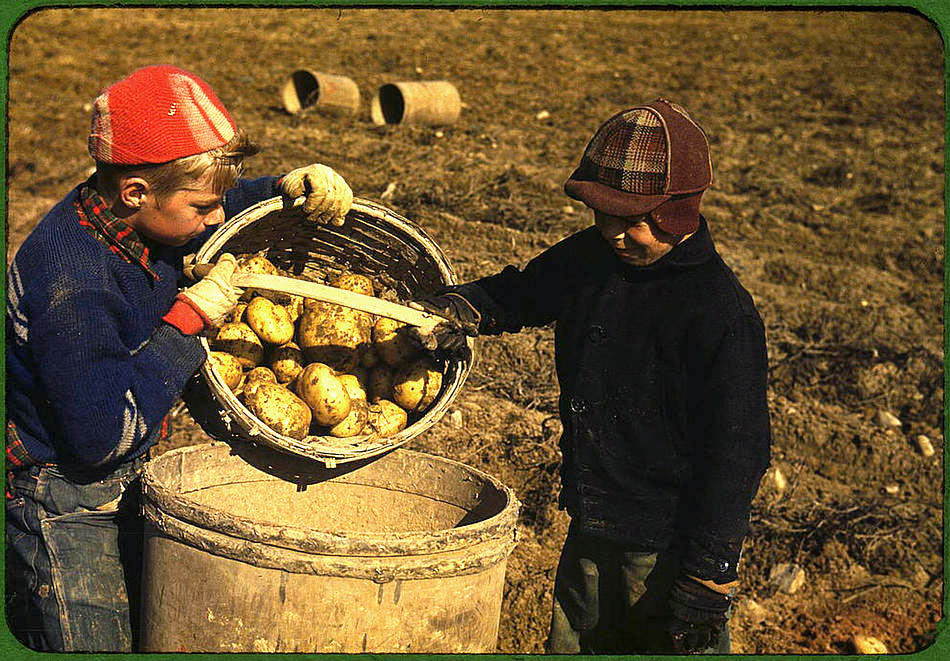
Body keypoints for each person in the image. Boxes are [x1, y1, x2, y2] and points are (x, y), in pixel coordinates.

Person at [4, 64, 353, 652]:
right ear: (135, 192)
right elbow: (99, 438)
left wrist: (283, 189)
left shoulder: (138, 212)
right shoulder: (76, 284)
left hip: (122, 464)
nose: (217, 219)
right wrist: (187, 325)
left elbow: (202, 199)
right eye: (205, 208)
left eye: (220, 202)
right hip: (61, 487)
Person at [414, 99, 771, 654]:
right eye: (601, 215)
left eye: (629, 220)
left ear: (677, 214)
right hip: (592, 522)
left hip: (667, 546)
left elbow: (738, 452)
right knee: (578, 639)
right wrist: (468, 306)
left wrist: (709, 577)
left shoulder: (719, 312)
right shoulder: (591, 258)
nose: (612, 233)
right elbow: (524, 292)